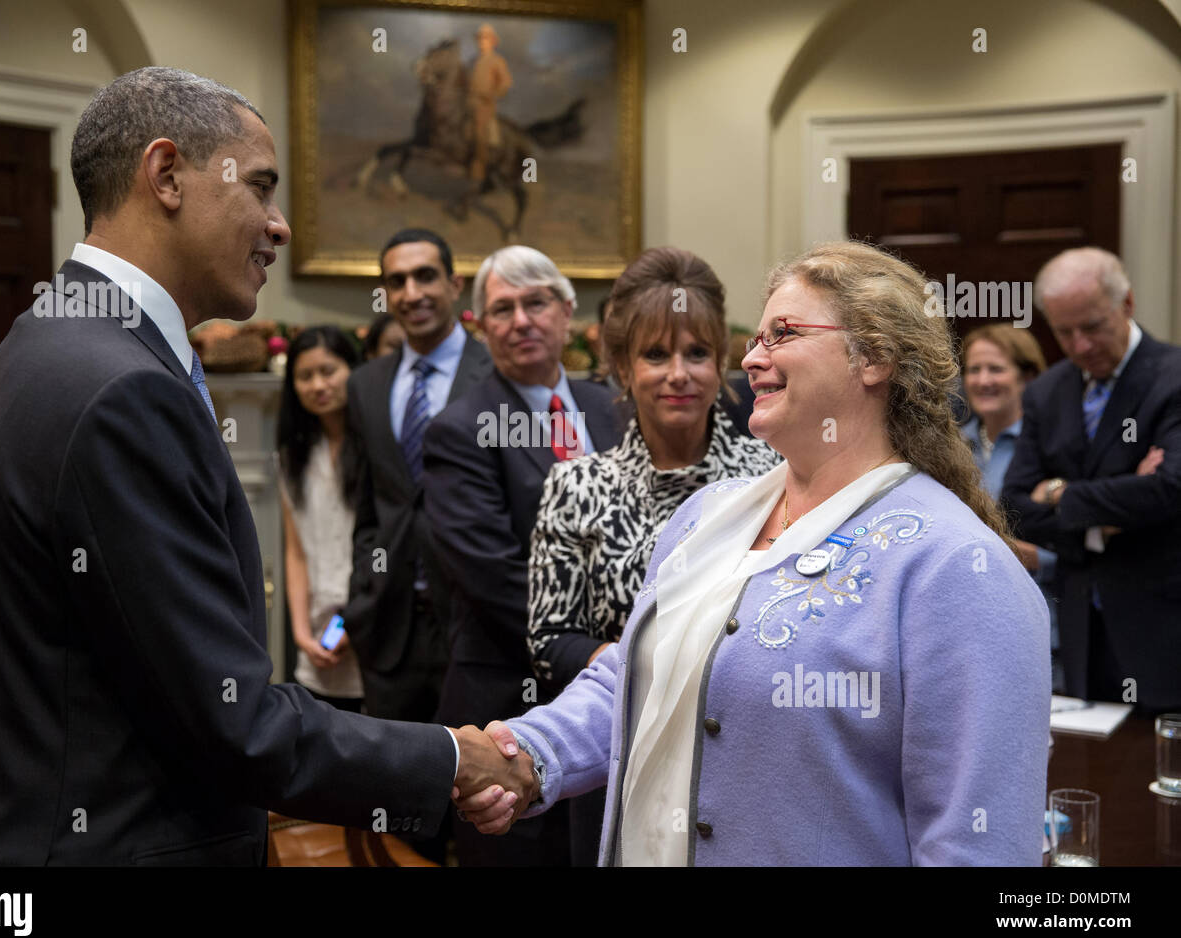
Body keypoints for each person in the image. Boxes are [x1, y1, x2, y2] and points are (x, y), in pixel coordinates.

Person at [0, 68, 532, 865]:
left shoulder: (53, 337)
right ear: (167, 174)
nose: (279, 226)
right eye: (260, 187)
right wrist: (452, 760)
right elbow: (232, 720)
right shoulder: (124, 390)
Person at [459, 240, 1051, 866]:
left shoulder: (956, 564)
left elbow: (975, 843)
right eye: (756, 338)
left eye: (781, 334)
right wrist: (529, 753)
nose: (751, 358)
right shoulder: (706, 515)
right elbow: (636, 678)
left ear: (873, 357)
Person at [525, 247, 779, 864]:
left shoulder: (773, 477)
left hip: (742, 756)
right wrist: (646, 667)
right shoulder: (577, 485)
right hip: (613, 753)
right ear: (621, 366)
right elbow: (548, 635)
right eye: (656, 355)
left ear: (722, 362)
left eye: (697, 354)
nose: (679, 374)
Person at [422, 245, 624, 865]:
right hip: (510, 705)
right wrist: (596, 649)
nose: (521, 321)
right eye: (501, 309)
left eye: (536, 303)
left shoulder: (612, 406)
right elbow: (494, 575)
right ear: (481, 328)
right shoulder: (461, 428)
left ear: (566, 313)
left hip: (616, 704)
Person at [1002, 247, 1181, 712]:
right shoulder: (1047, 391)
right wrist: (1110, 516)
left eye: (1093, 327)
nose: (1081, 345)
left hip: (1162, 628)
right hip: (1082, 629)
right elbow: (1016, 506)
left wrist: (1058, 493)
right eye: (1065, 332)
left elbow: (1169, 491)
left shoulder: (1172, 377)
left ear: (1127, 305)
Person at [343, 228, 492, 723]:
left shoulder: (494, 375)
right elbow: (368, 502)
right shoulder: (366, 384)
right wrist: (364, 589)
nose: (412, 293)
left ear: (455, 284)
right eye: (397, 281)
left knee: (477, 788)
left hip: (476, 624)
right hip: (388, 626)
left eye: (425, 276)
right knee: (393, 789)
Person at [958, 324, 1062, 691]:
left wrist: (1032, 557)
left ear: (1028, 377)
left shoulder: (1054, 447)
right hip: (963, 631)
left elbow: (1086, 549)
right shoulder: (947, 447)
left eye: (996, 369)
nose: (983, 380)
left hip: (1039, 628)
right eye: (974, 369)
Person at [277, 325, 365, 713]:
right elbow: (296, 551)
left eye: (328, 371)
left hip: (370, 626)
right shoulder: (290, 457)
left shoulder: (376, 448)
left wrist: (347, 625)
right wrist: (300, 633)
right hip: (317, 635)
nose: (317, 385)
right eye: (304, 376)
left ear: (353, 370)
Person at [468, 23, 512, 183]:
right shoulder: (473, 60)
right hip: (468, 101)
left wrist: (492, 95)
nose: (481, 41)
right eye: (480, 38)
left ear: (492, 41)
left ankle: (480, 169)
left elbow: (506, 82)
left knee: (479, 132)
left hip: (484, 105)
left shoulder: (497, 60)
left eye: (485, 38)